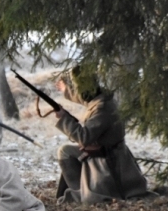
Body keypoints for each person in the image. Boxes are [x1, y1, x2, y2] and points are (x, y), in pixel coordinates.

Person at [53, 65, 148, 203]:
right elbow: (84, 97)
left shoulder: (102, 108)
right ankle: (79, 190)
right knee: (65, 151)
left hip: (109, 163)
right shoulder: (101, 98)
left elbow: (83, 137)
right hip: (104, 154)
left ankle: (81, 194)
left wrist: (64, 118)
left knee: (66, 152)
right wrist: (66, 90)